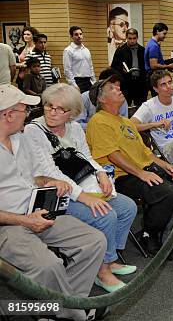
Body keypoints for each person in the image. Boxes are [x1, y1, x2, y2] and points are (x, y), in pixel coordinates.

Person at [0, 84, 107, 321]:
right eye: (24, 110)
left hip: (37, 212)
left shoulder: (21, 139)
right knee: (49, 266)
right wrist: (24, 220)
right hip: (7, 225)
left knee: (94, 242)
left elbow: (34, 176)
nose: (29, 115)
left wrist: (49, 180)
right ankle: (74, 313)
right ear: (8, 115)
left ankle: (58, 309)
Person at [24, 83, 138, 293]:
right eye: (49, 106)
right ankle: (101, 273)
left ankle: (110, 259)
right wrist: (84, 197)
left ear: (72, 113)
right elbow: (51, 173)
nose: (52, 112)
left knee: (128, 207)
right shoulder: (34, 131)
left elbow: (86, 156)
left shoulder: (75, 127)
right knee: (106, 216)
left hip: (82, 184)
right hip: (53, 193)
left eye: (61, 109)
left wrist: (100, 173)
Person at [86, 76, 173, 255]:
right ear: (101, 99)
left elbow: (146, 152)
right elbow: (113, 156)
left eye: (117, 86)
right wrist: (142, 174)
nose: (118, 88)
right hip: (120, 178)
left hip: (145, 169)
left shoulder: (126, 122)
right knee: (167, 192)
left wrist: (165, 165)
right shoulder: (98, 121)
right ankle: (149, 233)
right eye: (112, 88)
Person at [111, 28, 147, 106]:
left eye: (134, 38)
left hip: (140, 83)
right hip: (126, 83)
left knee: (141, 107)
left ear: (137, 38)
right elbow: (114, 67)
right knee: (124, 106)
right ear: (126, 38)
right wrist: (122, 71)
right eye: (130, 38)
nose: (132, 41)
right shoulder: (120, 50)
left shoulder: (143, 50)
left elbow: (146, 67)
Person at [63, 26, 96, 92]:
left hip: (88, 81)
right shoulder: (68, 50)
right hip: (77, 82)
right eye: (76, 34)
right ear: (71, 36)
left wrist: (94, 82)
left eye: (80, 34)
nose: (79, 36)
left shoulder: (86, 50)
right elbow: (67, 70)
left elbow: (90, 67)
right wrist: (73, 84)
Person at [15, 26, 38, 90]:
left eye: (28, 34)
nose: (25, 36)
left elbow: (35, 63)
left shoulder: (36, 48)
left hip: (32, 78)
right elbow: (17, 62)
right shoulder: (21, 48)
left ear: (33, 36)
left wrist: (20, 64)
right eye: (24, 34)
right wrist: (19, 64)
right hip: (21, 78)